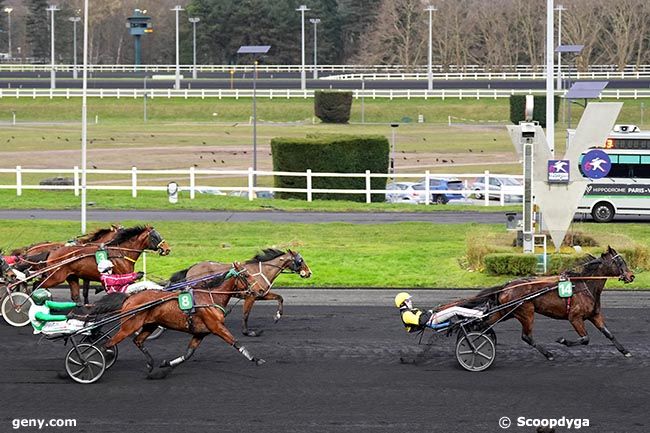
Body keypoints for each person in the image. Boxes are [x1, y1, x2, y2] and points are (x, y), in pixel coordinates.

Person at [394, 292, 485, 333]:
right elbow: (421, 321)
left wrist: (433, 310)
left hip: (432, 318)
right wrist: (431, 311)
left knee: (453, 306)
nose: (411, 301)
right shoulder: (406, 315)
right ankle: (480, 314)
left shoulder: (409, 311)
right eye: (408, 300)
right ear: (403, 303)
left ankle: (474, 315)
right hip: (433, 321)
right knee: (455, 309)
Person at [97, 259, 163, 294]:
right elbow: (120, 279)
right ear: (107, 269)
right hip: (120, 292)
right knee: (145, 284)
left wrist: (135, 274)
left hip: (121, 289)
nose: (112, 269)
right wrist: (135, 276)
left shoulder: (106, 276)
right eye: (110, 268)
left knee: (145, 284)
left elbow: (122, 276)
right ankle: (163, 290)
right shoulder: (106, 277)